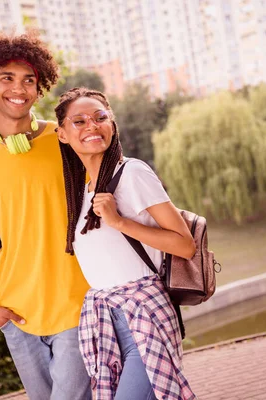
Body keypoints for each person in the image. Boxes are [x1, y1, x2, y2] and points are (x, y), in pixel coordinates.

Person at [0, 32, 91, 400]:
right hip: (16, 315)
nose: (18, 88)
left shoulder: (65, 139)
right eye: (7, 78)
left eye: (28, 80)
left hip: (75, 306)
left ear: (38, 89)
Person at [55, 87, 197, 400]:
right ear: (62, 134)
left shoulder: (131, 173)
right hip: (104, 319)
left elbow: (185, 245)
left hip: (144, 313)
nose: (92, 125)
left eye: (100, 117)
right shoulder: (79, 192)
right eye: (78, 122)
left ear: (112, 124)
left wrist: (120, 222)